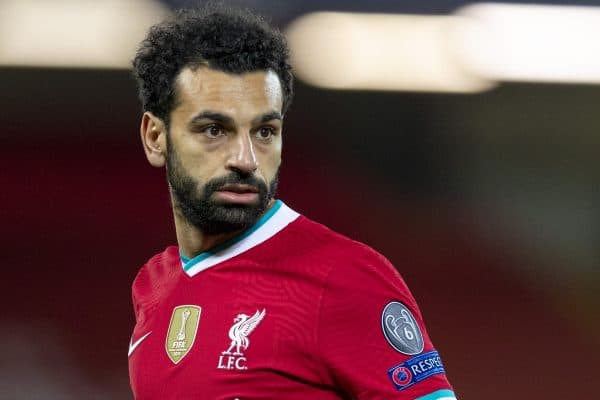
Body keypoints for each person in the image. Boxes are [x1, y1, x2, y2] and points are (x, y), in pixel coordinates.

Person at [128, 4, 457, 400]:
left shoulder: (344, 277)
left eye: (265, 131)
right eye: (215, 129)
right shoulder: (153, 286)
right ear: (154, 137)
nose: (245, 159)